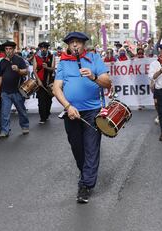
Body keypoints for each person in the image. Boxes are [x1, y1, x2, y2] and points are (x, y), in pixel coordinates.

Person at [53, 32, 111, 203]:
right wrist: (68, 106)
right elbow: (57, 88)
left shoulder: (94, 59)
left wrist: (93, 76)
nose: (75, 45)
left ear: (84, 44)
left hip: (93, 111)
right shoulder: (63, 63)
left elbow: (108, 83)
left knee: (91, 148)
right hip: (71, 112)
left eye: (78, 42)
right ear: (68, 46)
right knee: (77, 147)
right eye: (72, 43)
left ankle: (85, 185)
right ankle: (85, 171)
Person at [0, 41, 29, 138]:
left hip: (17, 91)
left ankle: (25, 126)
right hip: (5, 91)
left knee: (21, 111)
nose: (8, 51)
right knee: (4, 113)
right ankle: (4, 131)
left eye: (10, 49)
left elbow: (26, 72)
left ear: (14, 50)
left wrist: (18, 70)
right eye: (6, 49)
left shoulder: (19, 60)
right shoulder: (2, 62)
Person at [33, 41, 56, 124]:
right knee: (41, 100)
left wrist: (47, 67)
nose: (43, 49)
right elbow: (34, 70)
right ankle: (42, 118)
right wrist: (38, 80)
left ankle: (47, 114)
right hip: (40, 81)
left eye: (44, 48)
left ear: (47, 49)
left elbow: (53, 68)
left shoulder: (51, 56)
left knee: (48, 99)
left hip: (49, 81)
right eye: (41, 48)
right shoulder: (36, 57)